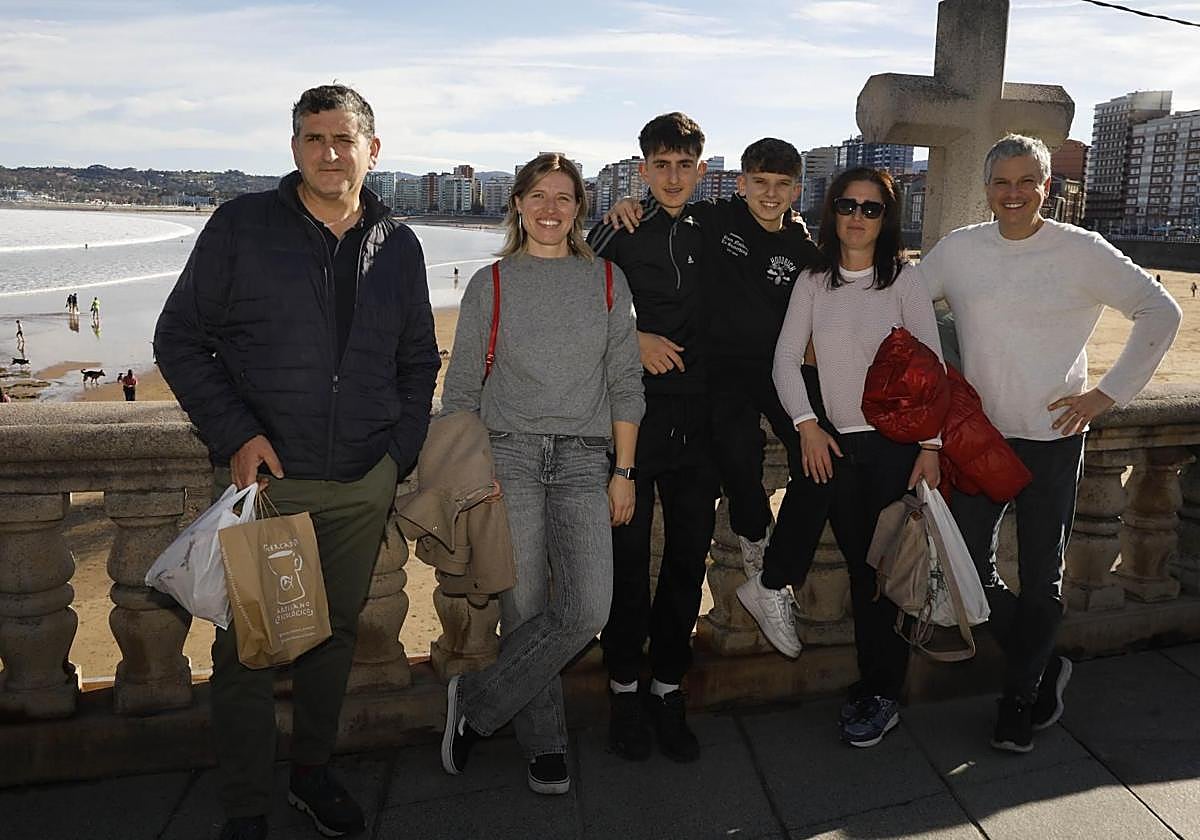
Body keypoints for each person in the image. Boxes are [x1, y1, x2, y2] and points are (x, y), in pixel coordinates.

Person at [154, 84, 439, 840]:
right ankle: (247, 808)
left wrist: (395, 456)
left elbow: (418, 362)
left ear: (373, 150)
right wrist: (236, 434)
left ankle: (314, 773)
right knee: (248, 647)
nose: (330, 152)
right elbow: (179, 338)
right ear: (294, 150)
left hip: (360, 482)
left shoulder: (400, 244)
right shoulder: (242, 226)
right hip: (270, 484)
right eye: (315, 139)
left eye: (345, 139)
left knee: (334, 635)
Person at [918, 134, 1181, 753]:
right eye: (1001, 182)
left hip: (1053, 440)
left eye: (1025, 182)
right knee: (971, 575)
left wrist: (1107, 394)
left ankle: (1019, 698)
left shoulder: (1081, 250)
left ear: (1047, 187)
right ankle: (1042, 665)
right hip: (979, 441)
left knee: (1042, 579)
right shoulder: (958, 251)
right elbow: (902, 307)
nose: (1012, 194)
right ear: (986, 189)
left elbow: (1158, 310)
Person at [439, 153, 643, 796]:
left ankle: (473, 702)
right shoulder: (491, 283)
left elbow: (625, 383)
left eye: (564, 197)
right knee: (523, 611)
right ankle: (545, 744)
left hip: (586, 460)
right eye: (538, 196)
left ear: (580, 208)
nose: (551, 208)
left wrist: (625, 470)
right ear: (518, 205)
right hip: (510, 457)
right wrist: (472, 476)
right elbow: (462, 390)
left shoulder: (608, 280)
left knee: (587, 608)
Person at [763, 167, 943, 747]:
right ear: (832, 211)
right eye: (848, 205)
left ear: (885, 217)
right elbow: (784, 360)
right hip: (840, 445)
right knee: (865, 573)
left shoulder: (904, 282)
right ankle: (876, 684)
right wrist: (807, 426)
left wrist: (932, 447)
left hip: (895, 449)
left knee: (886, 577)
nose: (858, 217)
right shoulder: (815, 280)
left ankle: (882, 693)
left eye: (871, 208)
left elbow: (932, 371)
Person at [608, 139, 823, 589]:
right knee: (738, 454)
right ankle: (755, 542)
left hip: (776, 368)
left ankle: (777, 573)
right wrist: (626, 204)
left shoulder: (804, 251)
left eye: (782, 185)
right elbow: (664, 209)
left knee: (822, 456)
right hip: (718, 371)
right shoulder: (713, 219)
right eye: (760, 182)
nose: (770, 193)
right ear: (741, 183)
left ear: (797, 191)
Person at [586, 112, 718, 763]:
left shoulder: (717, 230)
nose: (671, 177)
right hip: (630, 428)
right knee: (627, 566)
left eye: (683, 165)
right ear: (642, 170)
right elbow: (573, 300)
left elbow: (788, 244)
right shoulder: (617, 229)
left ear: (700, 168)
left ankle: (667, 688)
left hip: (700, 429)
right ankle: (623, 692)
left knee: (688, 562)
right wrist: (631, 340)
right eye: (659, 165)